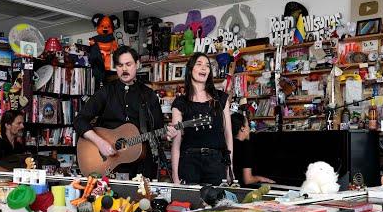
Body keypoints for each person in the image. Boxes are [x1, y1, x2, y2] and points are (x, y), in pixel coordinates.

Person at [73, 46, 178, 179]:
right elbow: (79, 121)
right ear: (115, 67)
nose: (124, 69)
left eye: (128, 64)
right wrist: (100, 143)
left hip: (141, 164)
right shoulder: (106, 91)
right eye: (120, 65)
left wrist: (167, 134)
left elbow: (157, 129)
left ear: (137, 64)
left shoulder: (148, 95)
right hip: (108, 163)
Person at [171, 52, 233, 185]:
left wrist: (229, 168)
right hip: (189, 163)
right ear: (190, 70)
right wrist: (175, 177)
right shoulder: (180, 103)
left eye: (207, 66)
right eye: (199, 64)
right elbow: (176, 143)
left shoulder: (221, 98)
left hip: (216, 162)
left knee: (218, 204)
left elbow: (228, 134)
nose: (204, 68)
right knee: (189, 204)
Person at [231, 112, 275, 186]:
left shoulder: (229, 145)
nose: (249, 128)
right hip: (241, 189)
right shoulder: (245, 147)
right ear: (242, 129)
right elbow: (247, 180)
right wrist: (260, 178)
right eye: (248, 125)